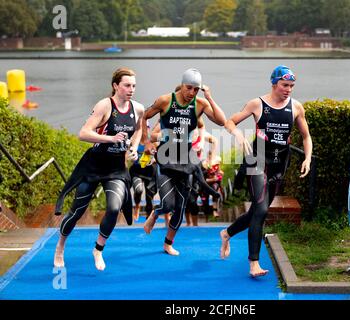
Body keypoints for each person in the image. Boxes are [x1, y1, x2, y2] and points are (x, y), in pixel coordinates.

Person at [220, 65, 312, 277]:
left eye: (291, 86)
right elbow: (230, 122)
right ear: (274, 83)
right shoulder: (257, 104)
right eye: (284, 85)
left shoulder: (296, 107)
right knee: (261, 212)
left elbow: (306, 137)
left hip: (280, 164)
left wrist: (307, 158)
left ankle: (227, 233)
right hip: (257, 161)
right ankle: (254, 263)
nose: (288, 89)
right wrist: (239, 136)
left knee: (255, 212)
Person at [53, 68, 144, 271]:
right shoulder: (105, 105)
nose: (132, 90)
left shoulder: (138, 108)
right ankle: (60, 246)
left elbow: (138, 129)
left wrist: (133, 149)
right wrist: (110, 138)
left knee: (113, 208)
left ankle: (98, 249)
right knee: (77, 211)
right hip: (94, 165)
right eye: (127, 85)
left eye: (134, 86)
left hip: (116, 168)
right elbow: (83, 133)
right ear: (115, 86)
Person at [141, 68, 226, 255]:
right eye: (189, 88)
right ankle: (156, 213)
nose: (192, 93)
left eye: (196, 89)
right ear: (182, 85)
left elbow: (222, 121)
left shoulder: (200, 104)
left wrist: (210, 98)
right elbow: (144, 116)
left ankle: (168, 243)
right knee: (168, 204)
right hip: (165, 157)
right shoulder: (165, 100)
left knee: (181, 206)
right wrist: (147, 141)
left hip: (185, 159)